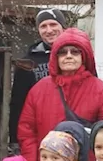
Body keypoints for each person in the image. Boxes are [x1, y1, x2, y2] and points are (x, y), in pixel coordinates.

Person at [17, 28, 103, 161]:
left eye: (75, 51)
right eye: (62, 52)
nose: (68, 56)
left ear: (85, 56)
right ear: (55, 57)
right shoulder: (39, 89)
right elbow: (27, 132)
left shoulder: (99, 89)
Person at [10, 9, 68, 139]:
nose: (48, 30)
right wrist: (14, 138)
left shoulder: (77, 56)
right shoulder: (28, 62)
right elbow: (18, 103)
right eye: (43, 26)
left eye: (53, 25)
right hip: (40, 130)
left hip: (72, 126)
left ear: (63, 27)